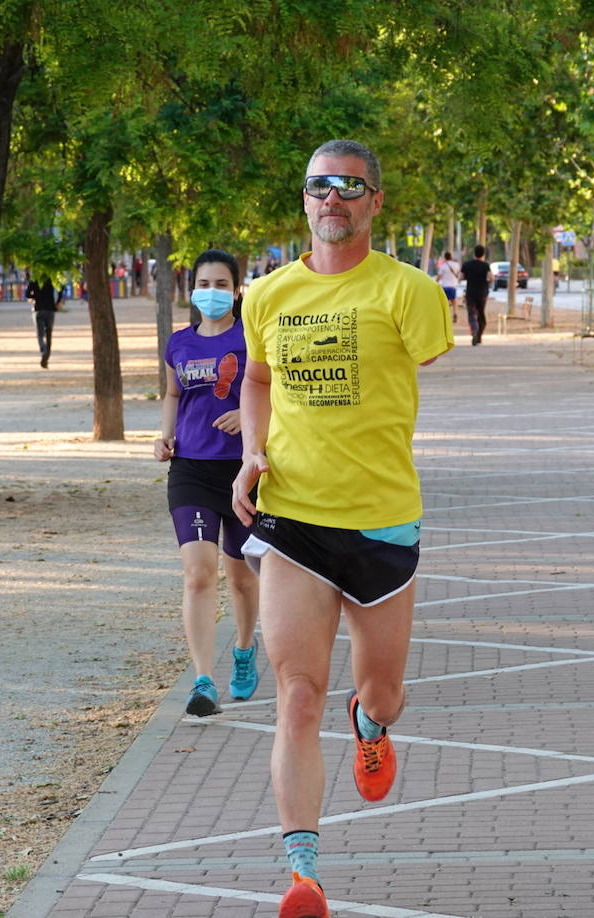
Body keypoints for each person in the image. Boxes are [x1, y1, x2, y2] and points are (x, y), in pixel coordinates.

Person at [232, 139, 452, 918]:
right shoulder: (266, 296)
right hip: (292, 517)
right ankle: (303, 874)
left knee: (382, 692)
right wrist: (251, 452)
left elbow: (416, 374)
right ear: (304, 199)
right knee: (296, 695)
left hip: (384, 523)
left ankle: (370, 725)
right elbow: (257, 379)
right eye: (319, 185)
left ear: (374, 202)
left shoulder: (410, 292)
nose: (333, 198)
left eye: (349, 187)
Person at [155, 249, 261, 717]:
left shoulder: (250, 337)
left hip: (241, 472)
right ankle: (202, 679)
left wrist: (248, 415)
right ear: (191, 288)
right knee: (198, 574)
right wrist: (164, 435)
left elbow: (271, 390)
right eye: (204, 283)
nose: (212, 292)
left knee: (240, 578)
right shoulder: (179, 343)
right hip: (191, 470)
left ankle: (242, 649)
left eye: (221, 284)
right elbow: (173, 393)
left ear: (236, 290)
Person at [25, 274, 60, 368]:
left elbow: (27, 294)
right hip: (50, 309)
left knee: (40, 334)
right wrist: (58, 302)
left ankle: (43, 351)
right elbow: (61, 288)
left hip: (38, 309)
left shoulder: (35, 278)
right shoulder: (52, 276)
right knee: (49, 334)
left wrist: (34, 298)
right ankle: (46, 356)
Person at [460, 244, 492, 345]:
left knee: (472, 314)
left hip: (470, 293)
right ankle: (479, 336)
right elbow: (492, 278)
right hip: (482, 293)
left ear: (474, 253)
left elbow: (460, 277)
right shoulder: (485, 265)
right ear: (483, 254)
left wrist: (468, 277)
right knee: (481, 314)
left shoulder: (467, 264)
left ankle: (474, 330)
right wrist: (487, 282)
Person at [436, 250, 462, 322]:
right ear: (451, 257)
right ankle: (455, 313)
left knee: (445, 303)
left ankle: (446, 316)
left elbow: (439, 277)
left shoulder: (443, 266)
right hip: (453, 286)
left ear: (445, 257)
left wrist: (435, 283)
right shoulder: (456, 265)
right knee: (454, 302)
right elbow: (459, 274)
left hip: (445, 286)